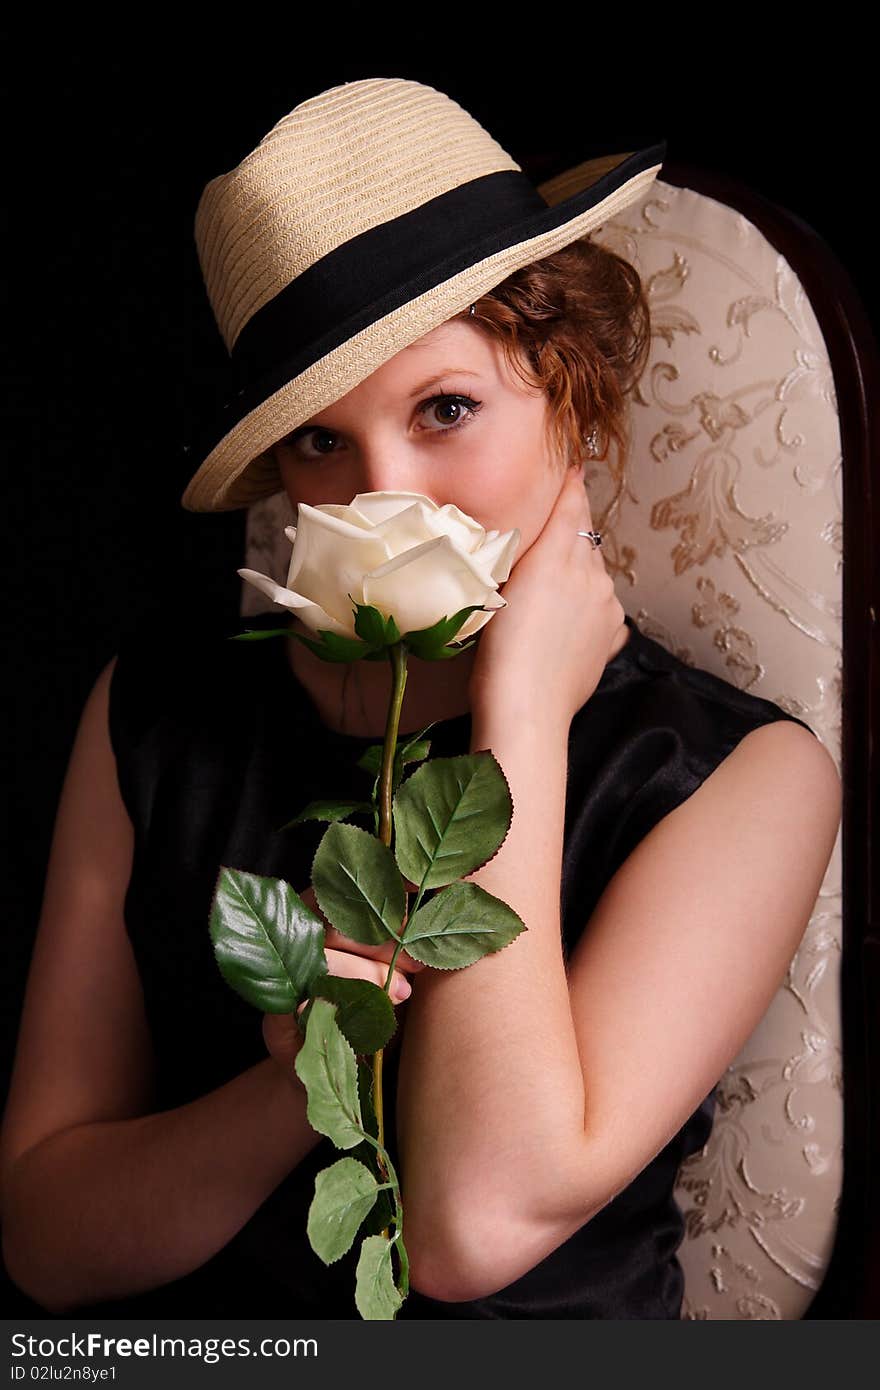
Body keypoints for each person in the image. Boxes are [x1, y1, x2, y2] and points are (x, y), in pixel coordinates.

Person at [0, 78, 841, 1319]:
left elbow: (468, 1228)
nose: (382, 495)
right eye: (319, 443)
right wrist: (300, 1083)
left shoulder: (739, 780)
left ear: (572, 389)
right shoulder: (157, 710)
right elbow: (46, 1239)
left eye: (446, 409)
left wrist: (517, 722)